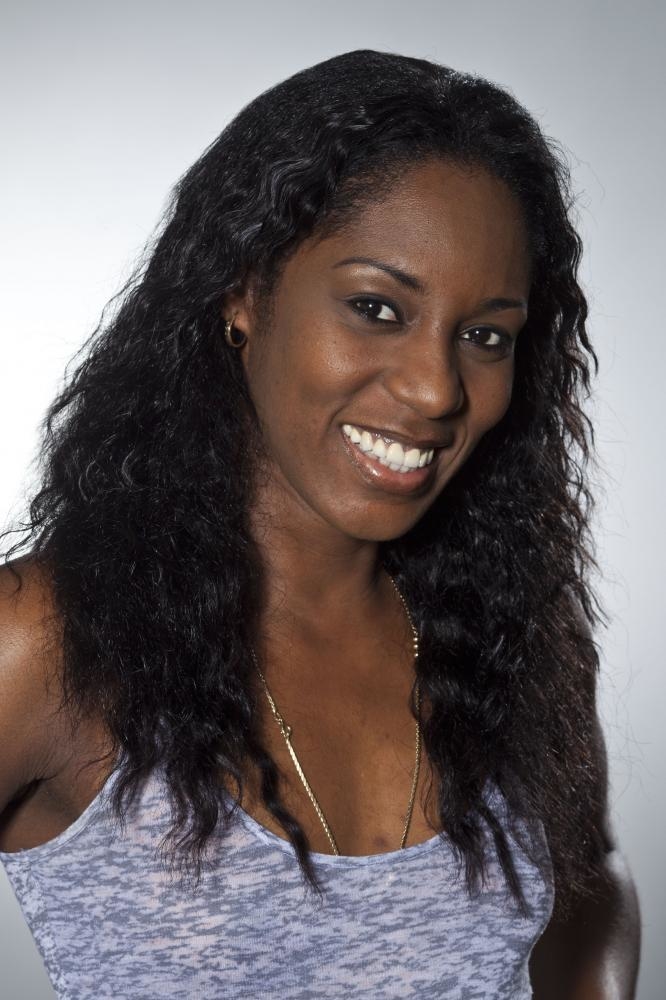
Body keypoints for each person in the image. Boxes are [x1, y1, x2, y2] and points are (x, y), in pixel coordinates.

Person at [0, 49, 640, 998]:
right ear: (243, 291)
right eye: (377, 307)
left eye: (484, 336)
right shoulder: (48, 644)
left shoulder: (513, 641)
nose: (435, 388)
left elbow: (590, 882)